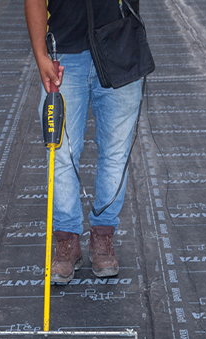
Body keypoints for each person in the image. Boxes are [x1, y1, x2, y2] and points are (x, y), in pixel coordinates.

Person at [26, 0, 154, 283]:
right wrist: (40, 54)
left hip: (119, 46)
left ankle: (103, 236)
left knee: (115, 151)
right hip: (65, 53)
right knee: (60, 152)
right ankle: (66, 240)